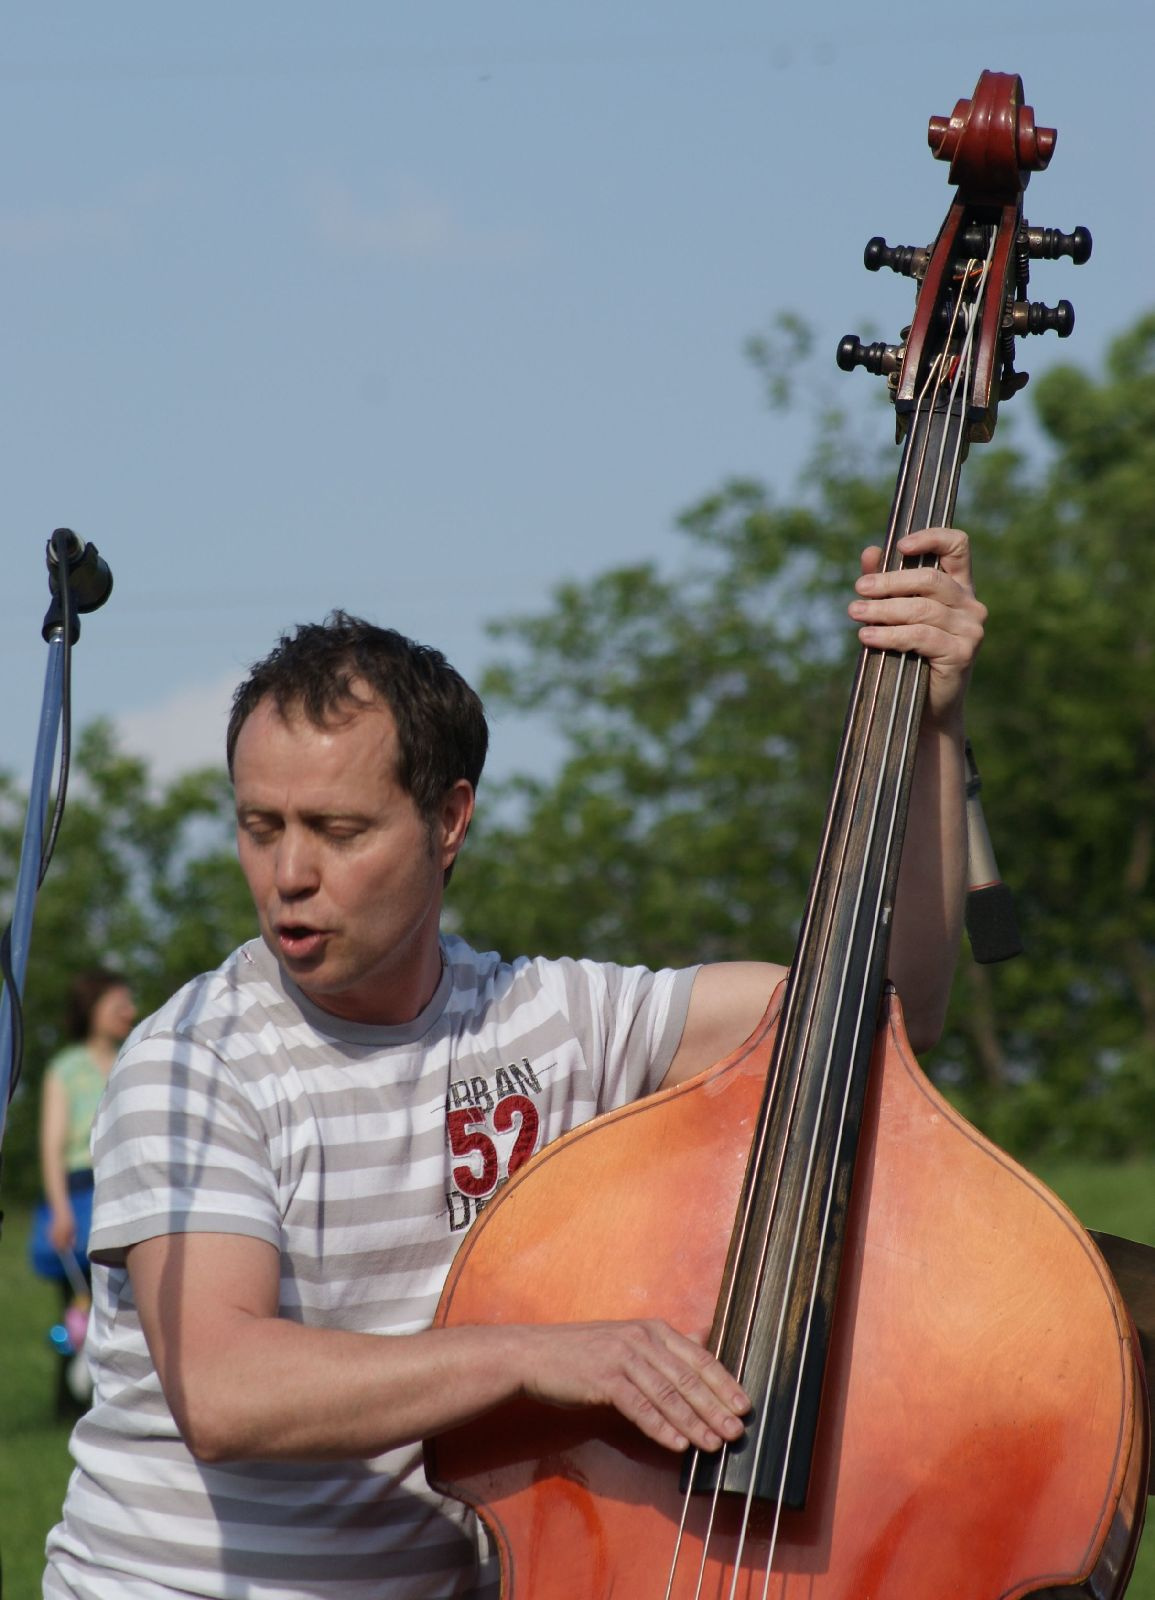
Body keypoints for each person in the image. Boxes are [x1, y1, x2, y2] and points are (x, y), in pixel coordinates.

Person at [44, 527, 985, 1599]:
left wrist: (933, 719)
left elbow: (880, 1010)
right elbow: (223, 1389)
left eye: (338, 828)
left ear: (450, 820)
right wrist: (539, 1355)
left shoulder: (547, 1018)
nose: (289, 873)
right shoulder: (192, 1058)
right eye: (261, 826)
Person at [32, 968, 136, 1417]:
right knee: (77, 1309)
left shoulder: (134, 1058)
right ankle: (69, 1404)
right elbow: (52, 1147)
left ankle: (116, 1395)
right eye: (119, 1005)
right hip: (78, 1196)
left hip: (125, 1189)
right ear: (93, 1012)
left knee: (124, 1305)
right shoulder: (65, 1071)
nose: (130, 1013)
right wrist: (59, 1211)